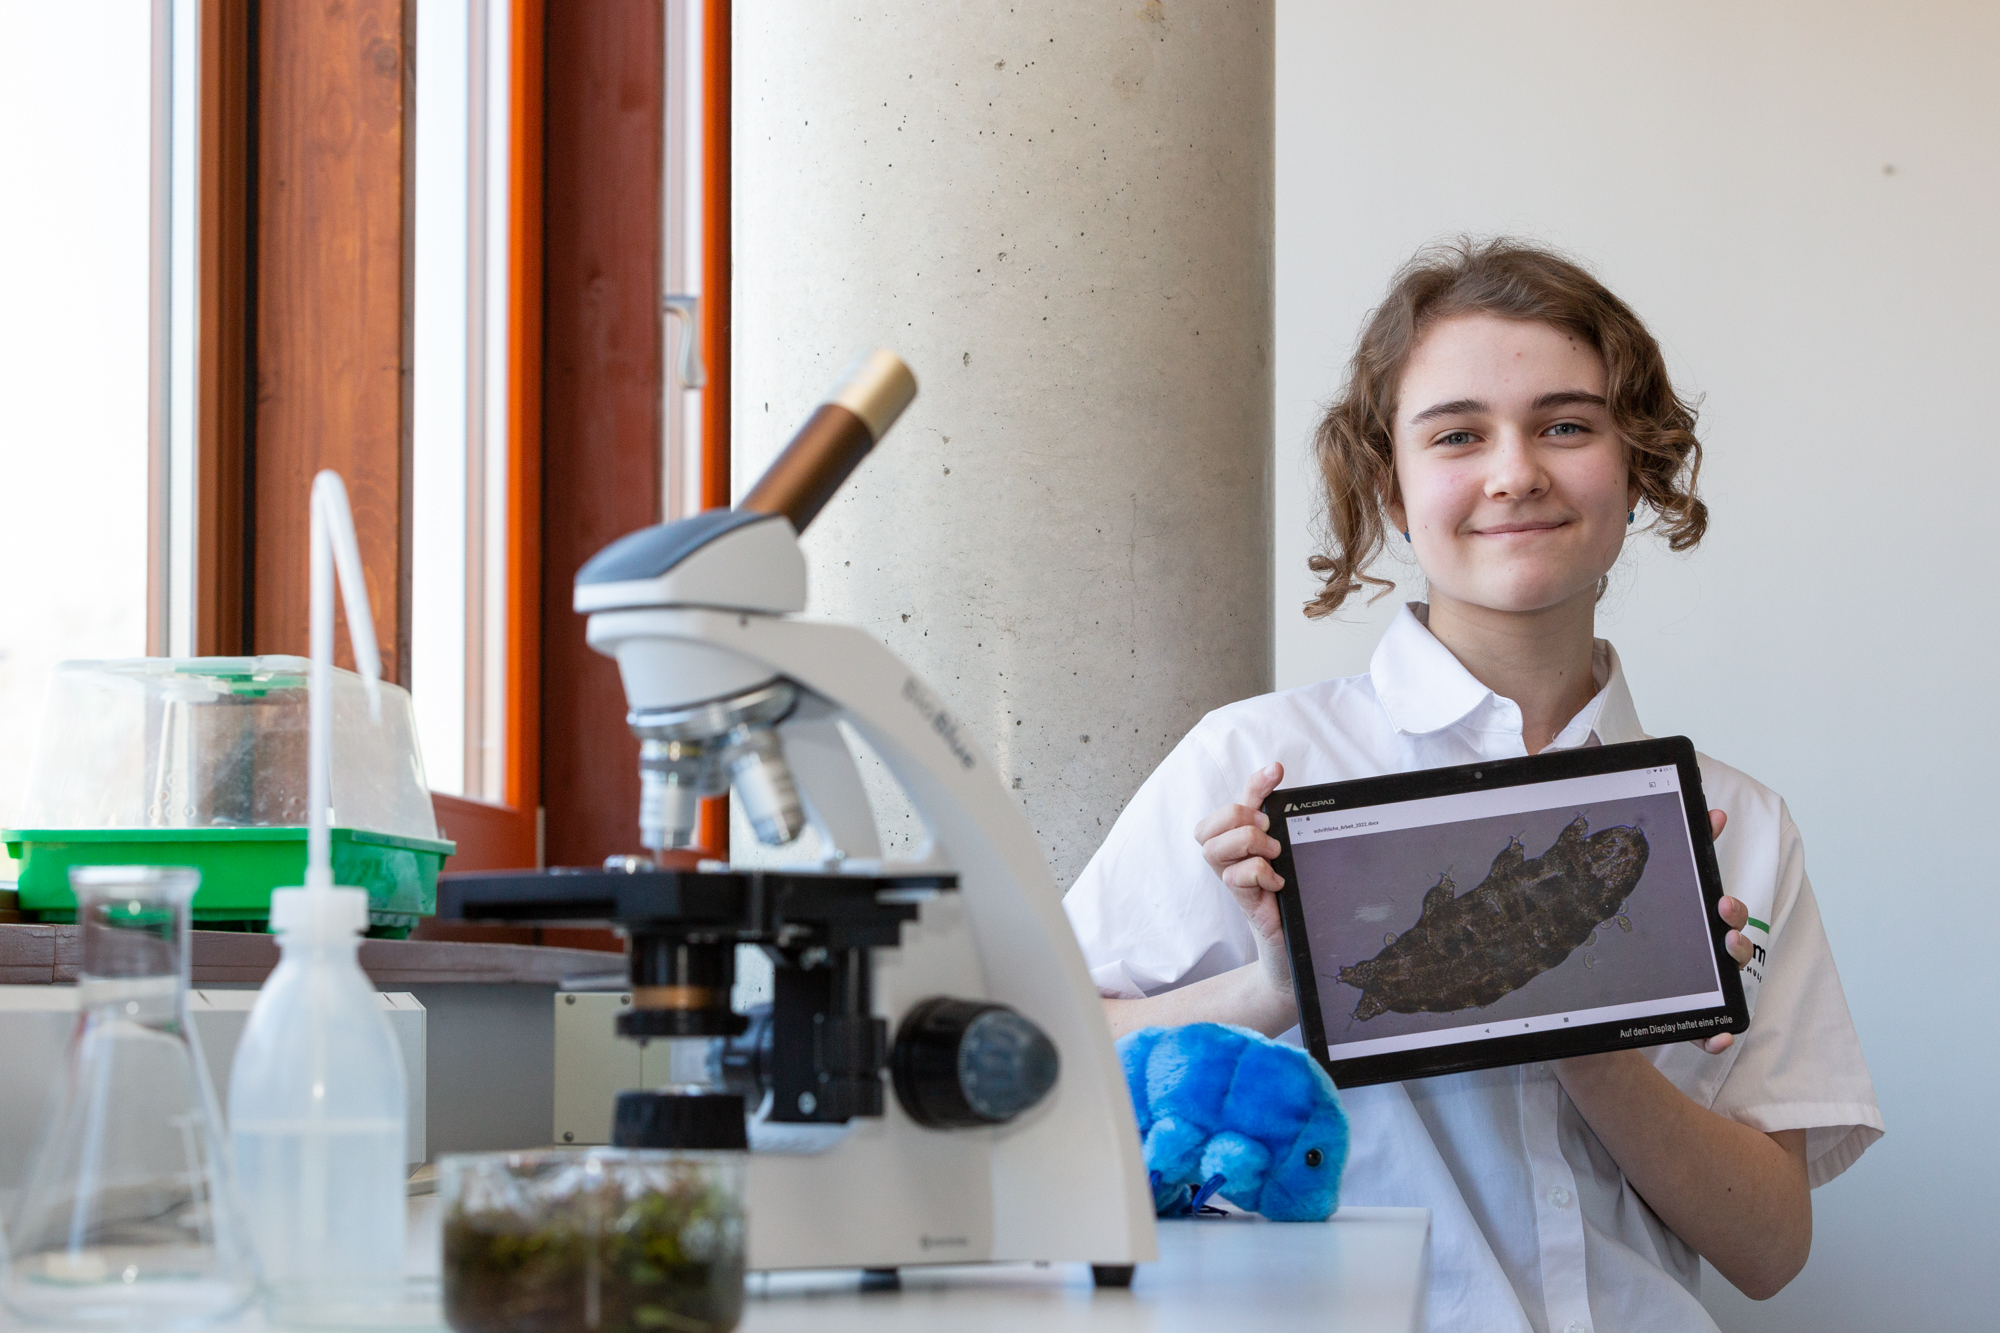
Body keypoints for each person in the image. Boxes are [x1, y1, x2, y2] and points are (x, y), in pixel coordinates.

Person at [1064, 238, 1881, 1331]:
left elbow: (1769, 1251)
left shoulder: (1739, 824)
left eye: (1566, 425)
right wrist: (1276, 989)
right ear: (1390, 489)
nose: (1514, 473)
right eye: (1456, 434)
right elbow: (1035, 1060)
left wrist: (1584, 1034)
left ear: (1636, 466)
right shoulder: (1256, 765)